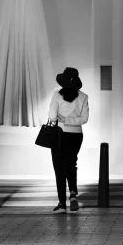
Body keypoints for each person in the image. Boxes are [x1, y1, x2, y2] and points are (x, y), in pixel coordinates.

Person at [48, 67, 89, 212]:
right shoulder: (84, 96)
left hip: (60, 134)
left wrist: (63, 119)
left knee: (59, 168)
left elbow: (52, 116)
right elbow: (84, 119)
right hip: (77, 135)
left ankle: (61, 202)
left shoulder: (57, 95)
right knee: (71, 164)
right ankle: (72, 194)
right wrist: (71, 119)